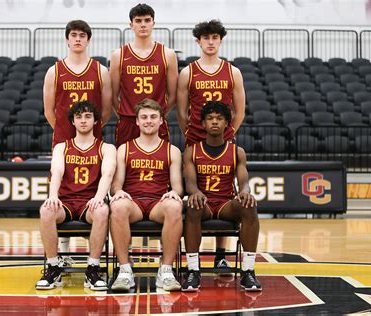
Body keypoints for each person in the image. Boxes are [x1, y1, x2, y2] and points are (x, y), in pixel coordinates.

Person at [176, 20, 246, 269]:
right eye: (206, 38)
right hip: (196, 139)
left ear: (220, 40)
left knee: (225, 191)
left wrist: (229, 133)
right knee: (193, 195)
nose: (210, 42)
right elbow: (181, 110)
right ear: (198, 41)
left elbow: (240, 109)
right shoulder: (188, 72)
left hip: (223, 139)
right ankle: (188, 255)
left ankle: (221, 255)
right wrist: (190, 131)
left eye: (215, 37)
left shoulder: (232, 72)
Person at [181, 101, 261, 292]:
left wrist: (244, 192)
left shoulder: (237, 152)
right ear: (203, 124)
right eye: (210, 119)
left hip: (226, 204)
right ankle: (193, 271)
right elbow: (190, 183)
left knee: (249, 206)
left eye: (219, 119)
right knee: (193, 206)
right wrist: (195, 193)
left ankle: (248, 271)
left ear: (227, 124)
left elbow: (243, 180)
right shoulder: (192, 151)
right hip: (204, 203)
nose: (214, 122)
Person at [35, 101, 116, 291]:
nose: (83, 120)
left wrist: (99, 197)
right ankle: (53, 267)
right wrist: (53, 195)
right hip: (66, 202)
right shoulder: (61, 147)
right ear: (72, 121)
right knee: (46, 210)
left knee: (102, 211)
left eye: (88, 116)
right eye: (79, 116)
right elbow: (57, 172)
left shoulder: (107, 148)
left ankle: (93, 269)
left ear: (96, 121)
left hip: (90, 202)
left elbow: (108, 174)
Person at [109, 98, 183, 292]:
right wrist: (119, 191)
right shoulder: (124, 149)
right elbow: (116, 184)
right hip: (133, 202)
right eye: (144, 117)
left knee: (175, 206)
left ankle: (165, 271)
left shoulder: (172, 151)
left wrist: (174, 193)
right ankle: (125, 271)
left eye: (153, 117)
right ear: (137, 121)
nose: (148, 120)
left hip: (158, 202)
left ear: (161, 121)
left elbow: (177, 187)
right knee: (117, 206)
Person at [110, 3, 178, 147]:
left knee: (160, 166)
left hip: (155, 121)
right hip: (128, 121)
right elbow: (113, 96)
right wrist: (126, 114)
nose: (143, 25)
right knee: (126, 167)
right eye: (138, 21)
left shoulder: (168, 54)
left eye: (147, 20)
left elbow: (173, 95)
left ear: (153, 23)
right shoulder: (119, 55)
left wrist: (158, 115)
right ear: (131, 24)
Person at [43, 19, 113, 147]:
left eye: (82, 36)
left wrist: (88, 129)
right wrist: (62, 129)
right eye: (73, 35)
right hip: (63, 139)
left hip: (92, 140)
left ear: (88, 41)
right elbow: (48, 111)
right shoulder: (54, 71)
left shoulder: (101, 71)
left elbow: (107, 111)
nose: (78, 39)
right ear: (67, 40)